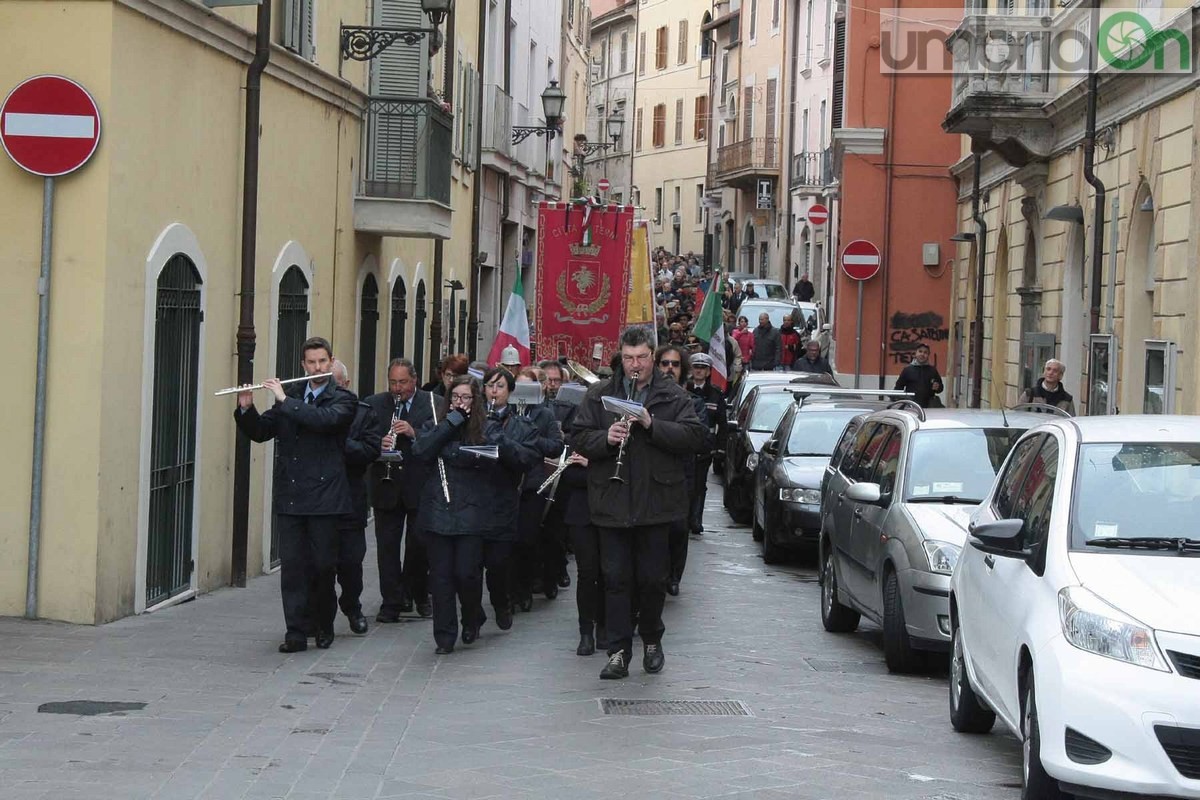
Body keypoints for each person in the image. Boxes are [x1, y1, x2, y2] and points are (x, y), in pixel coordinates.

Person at [570, 327, 707, 679]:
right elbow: (580, 435)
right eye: (629, 358)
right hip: (612, 501)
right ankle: (617, 651)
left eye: (642, 358)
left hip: (656, 503)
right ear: (621, 356)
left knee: (650, 580)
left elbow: (694, 437)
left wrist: (651, 423)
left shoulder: (672, 396)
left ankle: (651, 639)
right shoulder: (600, 394)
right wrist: (606, 438)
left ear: (653, 357)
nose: (635, 365)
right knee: (614, 579)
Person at [234, 337, 355, 653]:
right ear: (303, 365)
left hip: (326, 498)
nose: (316, 368)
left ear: (331, 362)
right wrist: (246, 409)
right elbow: (262, 432)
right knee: (294, 568)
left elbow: (323, 421)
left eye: (322, 362)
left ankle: (323, 624)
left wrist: (285, 400)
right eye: (311, 362)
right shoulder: (291, 396)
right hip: (292, 497)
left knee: (323, 566)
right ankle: (296, 632)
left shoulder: (342, 398)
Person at [411, 376, 537, 653]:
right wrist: (451, 424)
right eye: (455, 397)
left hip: (474, 514)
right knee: (441, 577)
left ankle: (472, 617)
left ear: (475, 400)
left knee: (467, 574)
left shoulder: (488, 426)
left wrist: (456, 452)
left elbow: (509, 456)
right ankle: (444, 637)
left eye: (466, 398)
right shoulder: (436, 423)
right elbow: (421, 450)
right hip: (439, 511)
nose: (460, 403)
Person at [366, 359, 434, 622]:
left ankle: (418, 593)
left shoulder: (431, 402)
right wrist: (379, 444)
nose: (397, 388)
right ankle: (391, 602)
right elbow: (366, 437)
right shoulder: (374, 403)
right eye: (393, 382)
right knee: (387, 548)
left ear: (414, 380)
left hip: (419, 485)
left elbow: (437, 437)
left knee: (419, 546)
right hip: (387, 484)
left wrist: (414, 432)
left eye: (403, 382)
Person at [478, 368, 543, 630]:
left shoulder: (522, 425)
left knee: (497, 564)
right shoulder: (471, 420)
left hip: (504, 500)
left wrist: (499, 439)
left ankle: (501, 602)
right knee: (468, 567)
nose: (494, 391)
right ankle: (472, 616)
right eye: (490, 386)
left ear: (510, 392)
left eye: (501, 386)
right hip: (473, 500)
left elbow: (525, 459)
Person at [326, 359, 381, 636]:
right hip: (320, 502)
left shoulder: (362, 413)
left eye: (336, 383)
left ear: (346, 385)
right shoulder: (311, 411)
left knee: (350, 562)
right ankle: (319, 616)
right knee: (319, 564)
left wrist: (337, 441)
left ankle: (352, 605)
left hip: (350, 500)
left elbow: (369, 451)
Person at [512, 368, 566, 611]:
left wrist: (532, 439)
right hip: (506, 484)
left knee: (527, 539)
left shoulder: (543, 415)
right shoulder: (504, 413)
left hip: (534, 485)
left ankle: (524, 588)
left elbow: (556, 445)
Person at [655, 344, 705, 596]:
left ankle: (674, 574)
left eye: (674, 365)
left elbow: (698, 436)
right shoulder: (648, 399)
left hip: (682, 472)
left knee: (677, 528)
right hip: (653, 474)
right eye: (664, 364)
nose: (669, 369)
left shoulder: (694, 403)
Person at [685, 353, 725, 535]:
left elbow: (722, 424)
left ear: (708, 372)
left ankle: (695, 519)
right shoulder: (683, 390)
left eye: (703, 368)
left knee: (699, 484)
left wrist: (719, 448)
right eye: (696, 367)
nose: (699, 371)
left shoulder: (716, 395)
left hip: (705, 446)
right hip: (685, 445)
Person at [894, 342, 944, 408]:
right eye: (920, 351)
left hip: (929, 408)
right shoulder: (907, 370)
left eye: (925, 352)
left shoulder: (933, 370)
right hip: (911, 407)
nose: (922, 354)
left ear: (928, 355)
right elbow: (898, 388)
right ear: (916, 353)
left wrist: (938, 387)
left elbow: (940, 388)